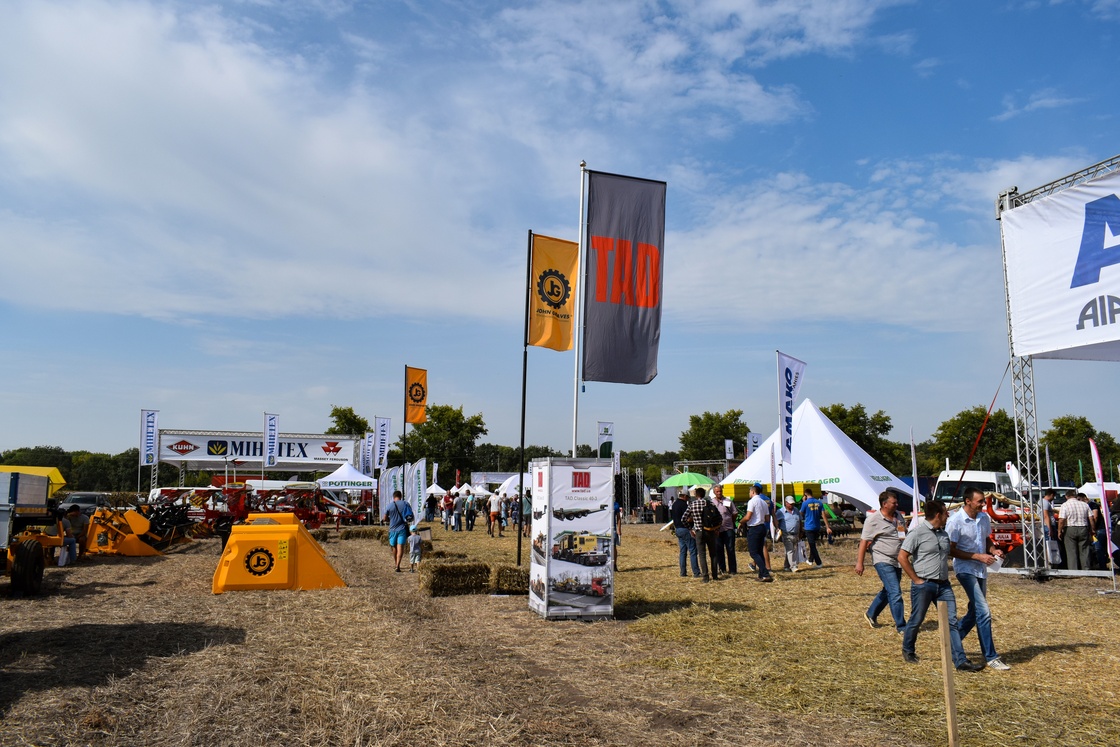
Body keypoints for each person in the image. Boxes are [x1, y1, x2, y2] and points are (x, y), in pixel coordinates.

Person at [898, 499, 985, 672]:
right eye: (946, 513)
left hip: (943, 585)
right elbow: (902, 557)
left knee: (951, 622)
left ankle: (960, 661)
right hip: (924, 584)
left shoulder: (944, 534)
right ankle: (908, 650)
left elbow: (951, 552)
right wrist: (916, 580)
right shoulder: (917, 533)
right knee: (917, 619)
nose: (948, 516)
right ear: (938, 515)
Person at [947, 487, 1010, 671]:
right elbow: (950, 550)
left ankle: (952, 642)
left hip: (981, 570)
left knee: (975, 612)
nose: (983, 504)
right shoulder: (955, 521)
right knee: (984, 612)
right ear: (968, 501)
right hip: (965, 569)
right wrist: (977, 556)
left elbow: (986, 539)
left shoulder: (983, 518)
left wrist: (994, 550)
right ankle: (991, 657)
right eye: (980, 501)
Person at [855, 491, 907, 633]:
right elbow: (864, 541)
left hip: (897, 560)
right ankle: (902, 626)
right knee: (895, 592)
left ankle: (871, 613)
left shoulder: (898, 516)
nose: (897, 505)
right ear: (884, 504)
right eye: (894, 503)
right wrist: (860, 563)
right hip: (882, 559)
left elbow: (903, 534)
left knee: (889, 589)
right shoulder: (873, 520)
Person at [737, 484, 773, 582]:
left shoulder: (752, 502)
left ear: (753, 492)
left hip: (754, 528)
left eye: (749, 492)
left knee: (753, 553)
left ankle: (765, 573)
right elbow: (767, 518)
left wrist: (741, 521)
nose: (749, 493)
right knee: (760, 552)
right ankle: (761, 575)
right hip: (762, 527)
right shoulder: (764, 503)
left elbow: (748, 516)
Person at [687, 487, 721, 582]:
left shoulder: (692, 504)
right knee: (713, 554)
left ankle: (705, 577)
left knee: (702, 555)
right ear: (704, 494)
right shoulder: (710, 503)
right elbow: (718, 517)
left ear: (696, 495)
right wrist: (717, 528)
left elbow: (684, 518)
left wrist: (690, 528)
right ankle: (715, 575)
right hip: (710, 530)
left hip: (699, 531)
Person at [1058, 490, 1093, 571]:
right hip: (1083, 527)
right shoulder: (1085, 505)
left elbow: (1062, 520)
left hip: (1070, 528)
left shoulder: (1065, 505)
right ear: (1076, 496)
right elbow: (1091, 518)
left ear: (1066, 496)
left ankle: (1073, 570)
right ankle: (1086, 569)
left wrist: (1059, 530)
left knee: (1071, 551)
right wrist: (1092, 528)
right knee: (1084, 550)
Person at [800, 487, 832, 567]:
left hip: (809, 526)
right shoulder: (819, 503)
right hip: (817, 526)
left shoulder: (805, 503)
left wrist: (803, 502)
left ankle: (819, 563)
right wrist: (827, 527)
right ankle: (810, 560)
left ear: (805, 495)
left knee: (812, 545)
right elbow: (824, 515)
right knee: (813, 544)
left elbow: (801, 514)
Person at [672, 489, 700, 578]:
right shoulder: (684, 505)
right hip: (685, 529)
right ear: (684, 496)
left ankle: (683, 572)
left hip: (678, 529)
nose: (688, 498)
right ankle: (696, 572)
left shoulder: (674, 504)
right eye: (687, 497)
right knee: (693, 551)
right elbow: (687, 518)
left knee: (683, 552)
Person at [384, 490, 414, 572]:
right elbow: (410, 516)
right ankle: (398, 565)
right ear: (401, 496)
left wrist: (390, 520)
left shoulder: (389, 505)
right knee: (400, 547)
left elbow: (384, 518)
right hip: (402, 529)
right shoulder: (405, 504)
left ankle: (395, 563)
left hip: (392, 529)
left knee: (394, 547)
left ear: (393, 497)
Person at [711, 484, 737, 575]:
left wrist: (731, 522)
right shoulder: (712, 503)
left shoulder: (728, 501)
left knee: (730, 549)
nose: (719, 493)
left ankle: (732, 570)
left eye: (720, 491)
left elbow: (734, 513)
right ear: (714, 492)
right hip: (717, 530)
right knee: (719, 550)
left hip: (728, 529)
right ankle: (722, 569)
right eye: (717, 491)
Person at [776, 495, 802, 572]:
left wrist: (801, 531)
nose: (791, 505)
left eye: (793, 504)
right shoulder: (780, 512)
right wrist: (777, 529)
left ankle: (786, 566)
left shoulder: (796, 510)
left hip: (796, 534)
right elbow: (775, 521)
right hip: (786, 534)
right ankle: (793, 566)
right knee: (790, 550)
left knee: (793, 550)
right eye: (790, 504)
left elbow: (800, 521)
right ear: (786, 503)